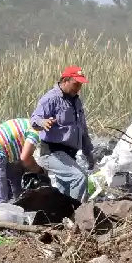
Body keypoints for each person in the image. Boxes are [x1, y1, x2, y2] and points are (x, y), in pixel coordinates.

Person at [30, 65, 95, 201]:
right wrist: (43, 123)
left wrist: (88, 153)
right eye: (75, 84)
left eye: (80, 85)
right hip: (52, 153)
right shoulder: (51, 99)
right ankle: (77, 214)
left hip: (69, 155)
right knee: (79, 177)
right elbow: (34, 119)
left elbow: (82, 129)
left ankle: (61, 218)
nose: (78, 88)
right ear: (65, 80)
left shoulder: (76, 101)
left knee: (64, 192)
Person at [0, 119, 44, 205]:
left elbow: (25, 158)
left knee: (17, 180)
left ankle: (19, 205)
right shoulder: (36, 131)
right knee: (0, 197)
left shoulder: (29, 124)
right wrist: (40, 171)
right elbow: (25, 158)